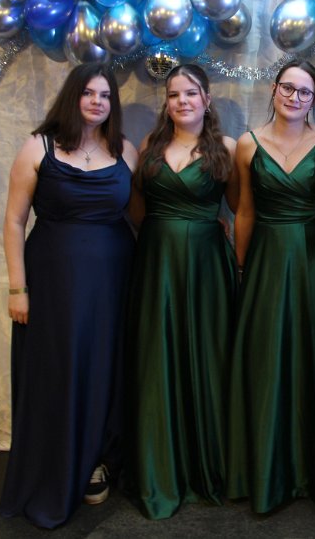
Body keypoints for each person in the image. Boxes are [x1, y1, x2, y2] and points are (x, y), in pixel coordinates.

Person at [0, 62, 137, 528]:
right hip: (54, 282)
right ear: (72, 97)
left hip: (115, 281)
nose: (97, 102)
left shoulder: (125, 151)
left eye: (106, 95)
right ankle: (55, 467)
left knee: (106, 369)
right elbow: (14, 221)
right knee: (60, 369)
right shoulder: (38, 147)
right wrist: (18, 288)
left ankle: (98, 460)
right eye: (89, 93)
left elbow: (140, 214)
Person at [226, 60, 315, 513]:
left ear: (314, 99)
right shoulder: (247, 143)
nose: (295, 97)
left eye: (305, 91)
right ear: (273, 90)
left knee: (311, 355)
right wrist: (242, 268)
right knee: (267, 359)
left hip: (312, 257)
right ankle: (267, 470)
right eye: (288, 88)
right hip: (265, 257)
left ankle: (312, 473)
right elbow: (244, 211)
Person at [125, 63, 238, 520]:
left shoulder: (227, 148)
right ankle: (162, 468)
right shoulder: (149, 147)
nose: (182, 101)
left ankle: (210, 467)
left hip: (208, 267)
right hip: (157, 264)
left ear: (206, 100)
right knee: (159, 358)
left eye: (191, 93)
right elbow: (136, 210)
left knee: (208, 358)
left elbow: (238, 208)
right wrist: (167, 234)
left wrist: (214, 231)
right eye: (174, 95)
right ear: (166, 102)